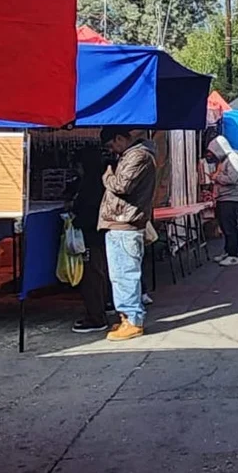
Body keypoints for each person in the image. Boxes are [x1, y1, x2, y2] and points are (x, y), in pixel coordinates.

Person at [99, 126, 157, 342]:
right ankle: (127, 317)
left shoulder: (138, 156)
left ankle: (132, 319)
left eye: (111, 145)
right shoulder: (134, 155)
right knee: (120, 275)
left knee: (124, 274)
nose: (112, 150)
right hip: (122, 223)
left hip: (125, 224)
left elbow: (122, 186)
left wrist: (107, 175)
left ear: (120, 138)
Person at [67, 148, 111, 334]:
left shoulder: (91, 186)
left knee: (92, 276)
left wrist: (75, 217)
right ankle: (102, 308)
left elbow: (88, 214)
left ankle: (96, 316)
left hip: (91, 236)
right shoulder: (98, 182)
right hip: (100, 236)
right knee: (99, 273)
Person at [207, 135, 238, 267]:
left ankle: (233, 255)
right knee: (225, 227)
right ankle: (228, 251)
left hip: (230, 199)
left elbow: (232, 178)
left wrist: (216, 177)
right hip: (223, 198)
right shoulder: (224, 160)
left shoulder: (233, 158)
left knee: (230, 227)